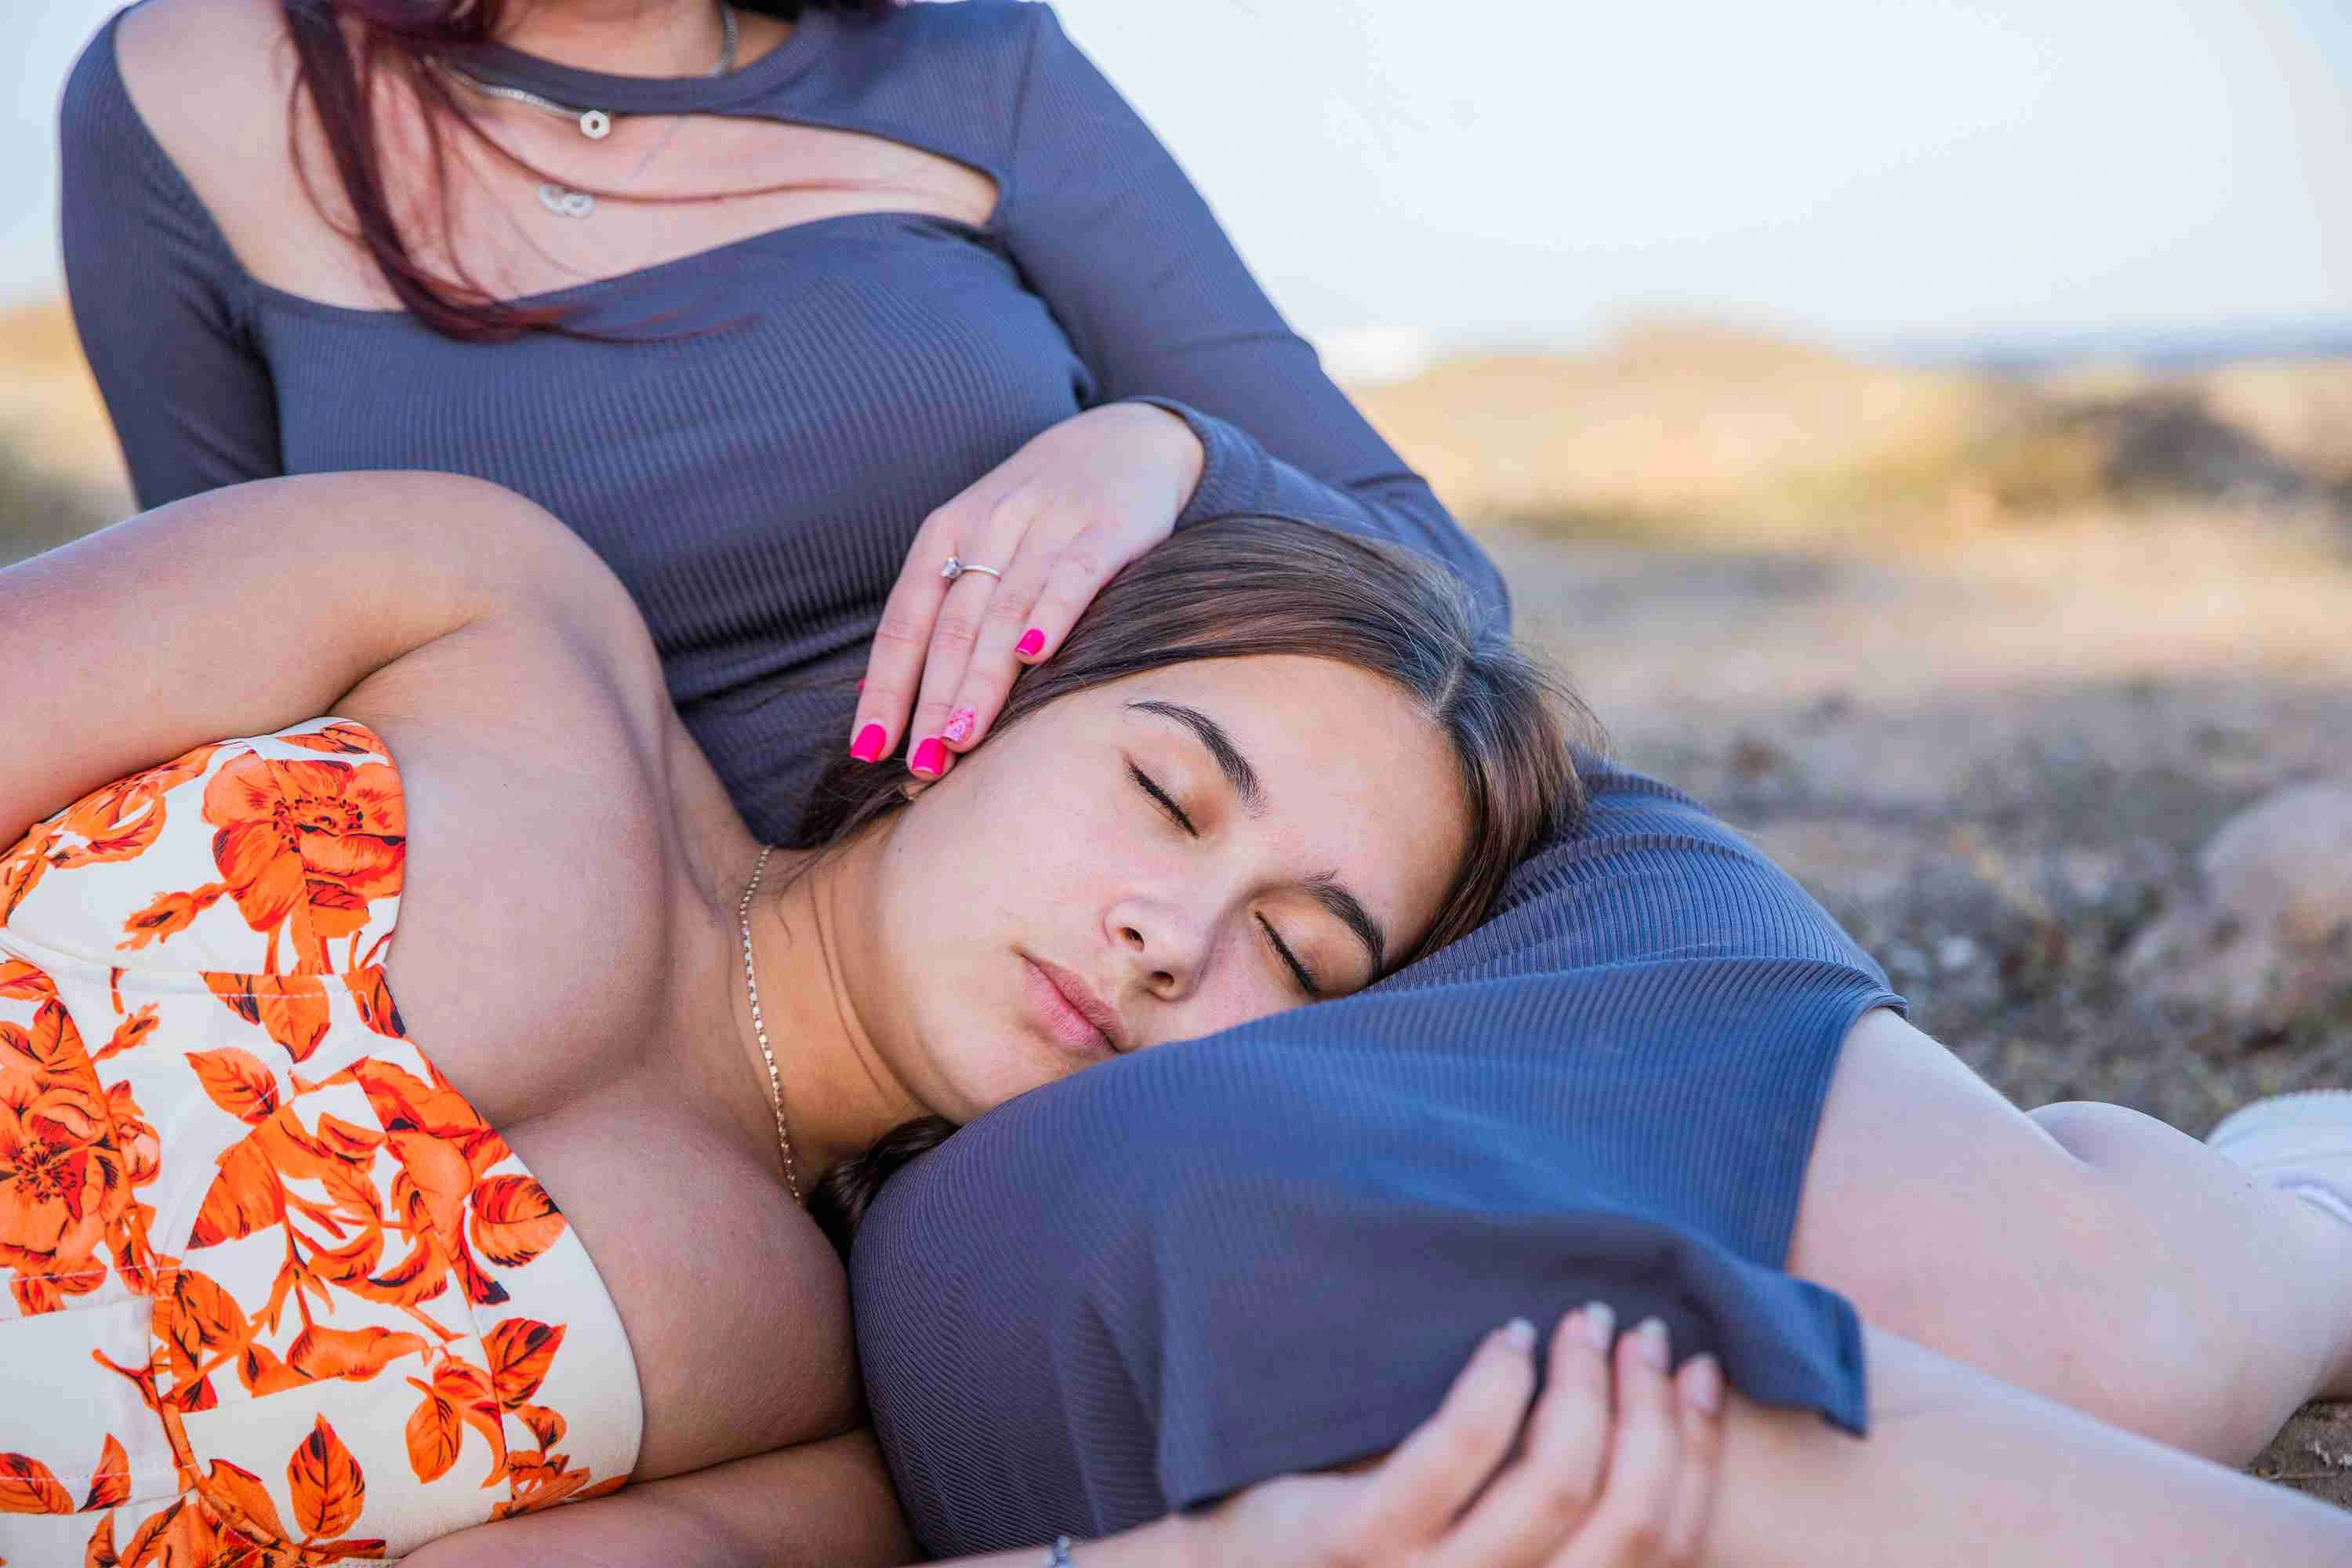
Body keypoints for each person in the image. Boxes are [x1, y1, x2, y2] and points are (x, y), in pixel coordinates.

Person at [2, 472, 1722, 1564]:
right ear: (994, 692)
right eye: (1165, 792)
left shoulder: (826, 1434)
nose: (1172, 936)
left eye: (1303, 955)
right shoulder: (482, 608)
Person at [59, 0, 1505, 838]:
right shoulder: (189, 92)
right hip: (683, 1043)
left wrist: (1165, 448)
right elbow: (218, 710)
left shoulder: (970, 63)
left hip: (1179, 920)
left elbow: (1447, 596)